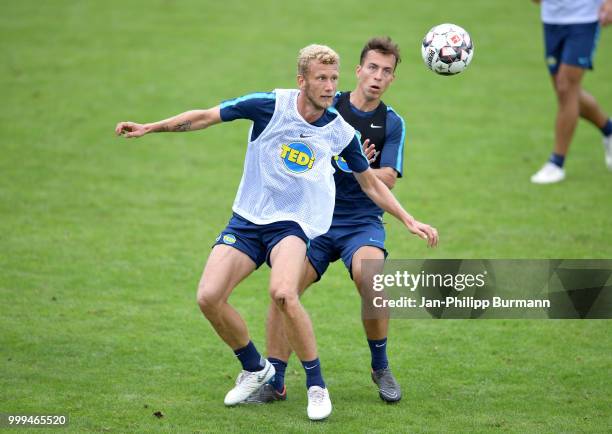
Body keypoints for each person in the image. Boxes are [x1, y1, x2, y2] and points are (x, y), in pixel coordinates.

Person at [115, 44, 438, 420]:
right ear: (302, 80)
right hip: (252, 219)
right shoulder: (269, 104)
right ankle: (263, 372)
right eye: (321, 78)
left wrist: (408, 219)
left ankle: (326, 383)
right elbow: (205, 116)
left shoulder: (343, 131)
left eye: (333, 79)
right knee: (211, 296)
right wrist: (151, 127)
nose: (330, 86)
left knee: (289, 290)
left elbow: (372, 183)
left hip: (303, 223)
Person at [246, 37, 413, 405]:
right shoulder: (328, 105)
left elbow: (385, 178)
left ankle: (380, 366)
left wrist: (360, 164)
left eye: (387, 72)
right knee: (283, 291)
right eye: (372, 68)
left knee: (371, 278)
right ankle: (276, 380)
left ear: (392, 80)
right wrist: (340, 157)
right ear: (358, 71)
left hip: (361, 222)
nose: (377, 77)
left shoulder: (392, 123)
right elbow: (294, 145)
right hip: (312, 218)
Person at [531, 0, 612, 184]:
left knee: (566, 87)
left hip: (584, 18)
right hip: (551, 19)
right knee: (565, 93)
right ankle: (609, 130)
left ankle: (556, 163)